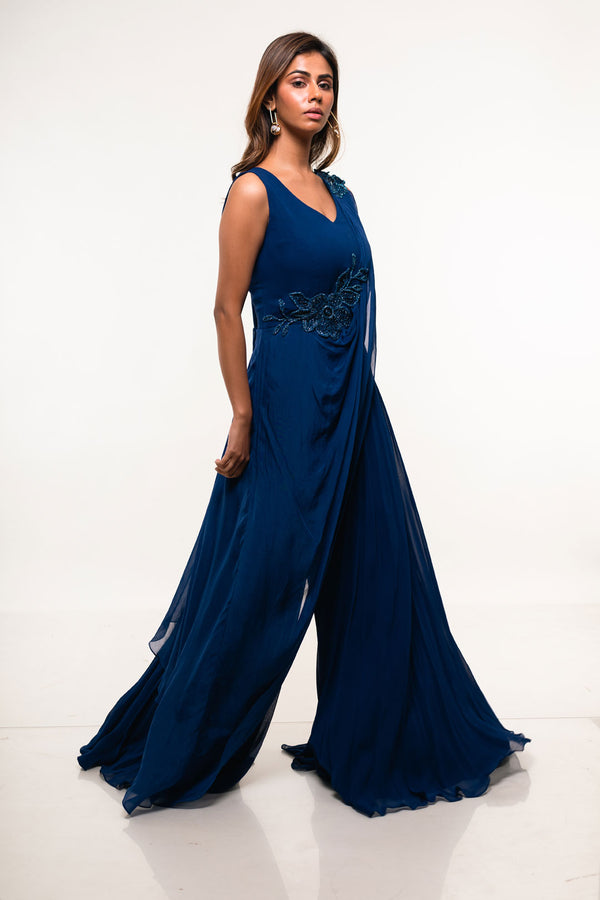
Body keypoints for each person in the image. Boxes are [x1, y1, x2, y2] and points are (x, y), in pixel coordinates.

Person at [77, 31, 531, 817]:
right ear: (269, 98)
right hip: (286, 401)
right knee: (262, 575)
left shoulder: (340, 193)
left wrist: (353, 392)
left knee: (377, 568)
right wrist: (242, 414)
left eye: (326, 82)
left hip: (351, 401)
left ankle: (376, 738)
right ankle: (183, 743)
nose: (316, 94)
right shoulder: (251, 193)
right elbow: (227, 310)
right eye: (299, 81)